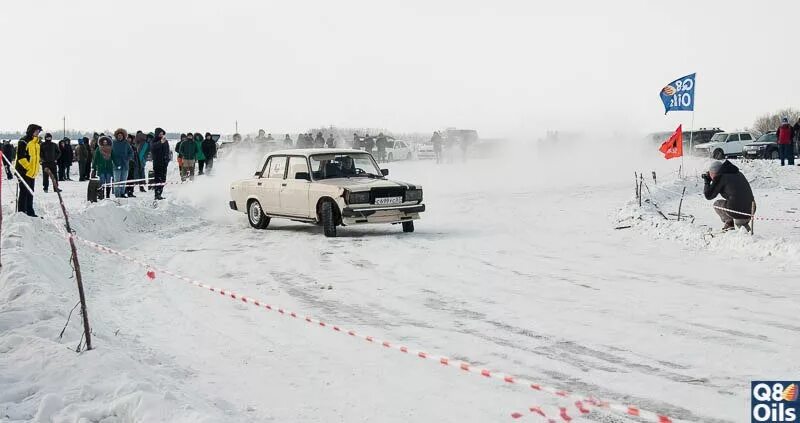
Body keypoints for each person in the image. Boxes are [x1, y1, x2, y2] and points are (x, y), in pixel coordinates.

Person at [703, 160, 756, 232]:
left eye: (710, 173)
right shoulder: (737, 173)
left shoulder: (720, 176)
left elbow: (709, 195)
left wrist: (707, 182)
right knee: (741, 223)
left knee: (717, 204)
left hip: (737, 210)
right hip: (751, 208)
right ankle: (749, 236)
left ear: (714, 173)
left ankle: (729, 224)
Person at [15, 124, 42, 217]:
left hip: (32, 172)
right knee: (24, 192)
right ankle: (22, 212)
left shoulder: (36, 143)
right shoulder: (23, 141)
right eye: (36, 131)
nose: (38, 133)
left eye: (39, 131)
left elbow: (36, 158)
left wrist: (36, 168)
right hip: (23, 171)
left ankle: (30, 211)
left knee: (30, 192)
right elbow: (21, 158)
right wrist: (29, 167)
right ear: (31, 131)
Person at [110, 128, 133, 198]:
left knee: (123, 180)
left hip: (125, 165)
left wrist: (127, 159)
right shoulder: (113, 143)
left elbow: (131, 152)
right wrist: (114, 161)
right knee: (117, 181)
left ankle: (122, 193)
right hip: (116, 165)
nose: (120, 137)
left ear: (123, 136)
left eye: (121, 135)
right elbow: (111, 154)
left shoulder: (126, 143)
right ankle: (117, 194)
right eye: (118, 135)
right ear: (116, 136)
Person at [150, 128, 170, 200]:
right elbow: (152, 148)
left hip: (164, 163)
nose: (161, 135)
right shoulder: (154, 141)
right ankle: (157, 194)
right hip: (157, 163)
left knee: (163, 180)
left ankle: (160, 193)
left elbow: (167, 151)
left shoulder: (166, 141)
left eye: (162, 134)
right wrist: (160, 142)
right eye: (160, 134)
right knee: (158, 180)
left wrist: (167, 160)